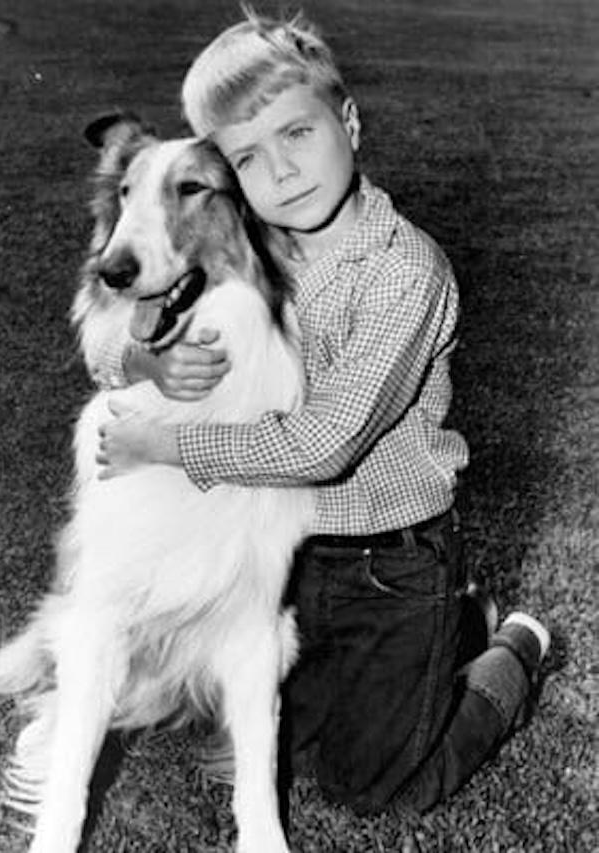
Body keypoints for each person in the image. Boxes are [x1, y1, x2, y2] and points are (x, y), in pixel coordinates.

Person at [93, 10, 550, 816]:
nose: (282, 173)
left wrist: (166, 442)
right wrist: (145, 360)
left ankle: (510, 648)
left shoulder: (404, 272)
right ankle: (452, 635)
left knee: (377, 784)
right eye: (248, 158)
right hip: (286, 554)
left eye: (297, 133)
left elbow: (325, 441)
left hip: (390, 558)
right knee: (244, 747)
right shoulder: (250, 252)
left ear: (350, 121)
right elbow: (112, 333)